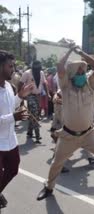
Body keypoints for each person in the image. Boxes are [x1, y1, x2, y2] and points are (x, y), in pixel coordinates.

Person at [36, 45, 94, 205]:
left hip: (89, 134)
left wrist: (82, 53)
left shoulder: (90, 84)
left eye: (82, 71)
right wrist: (70, 51)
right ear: (71, 74)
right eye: (78, 72)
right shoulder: (65, 86)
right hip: (68, 135)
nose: (81, 74)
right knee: (57, 164)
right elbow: (59, 67)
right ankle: (49, 187)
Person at [0, 50, 34, 208]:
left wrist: (20, 96)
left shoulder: (8, 86)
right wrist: (13, 117)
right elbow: (9, 115)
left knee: (12, 169)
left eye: (13, 66)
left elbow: (9, 107)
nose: (13, 69)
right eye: (9, 66)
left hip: (10, 139)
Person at [19, 60, 50, 143]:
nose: (37, 70)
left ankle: (29, 133)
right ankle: (37, 135)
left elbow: (44, 84)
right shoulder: (27, 73)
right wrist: (20, 96)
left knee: (32, 114)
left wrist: (48, 94)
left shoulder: (42, 73)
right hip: (30, 96)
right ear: (33, 68)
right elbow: (20, 83)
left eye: (39, 68)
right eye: (36, 69)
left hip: (38, 96)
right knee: (35, 114)